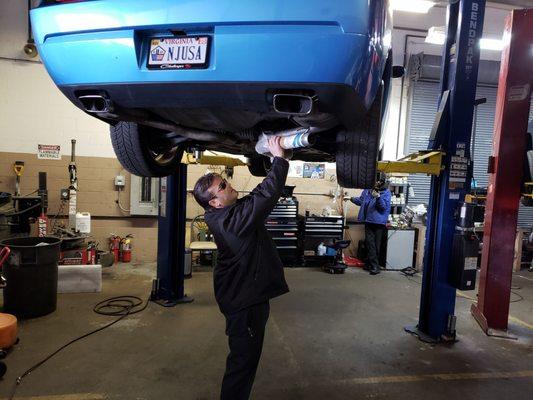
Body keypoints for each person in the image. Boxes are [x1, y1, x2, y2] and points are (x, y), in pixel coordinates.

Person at [192, 137, 291, 400]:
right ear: (214, 202)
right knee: (242, 366)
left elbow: (257, 196)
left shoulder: (227, 213)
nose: (229, 184)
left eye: (224, 180)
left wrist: (275, 161)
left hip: (246, 296)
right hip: (244, 305)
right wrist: (280, 160)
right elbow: (266, 197)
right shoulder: (231, 223)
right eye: (223, 186)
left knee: (244, 361)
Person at [346, 174, 391, 275]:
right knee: (370, 243)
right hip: (368, 220)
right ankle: (370, 264)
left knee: (374, 244)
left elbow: (383, 207)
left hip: (378, 222)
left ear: (381, 182)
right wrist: (350, 198)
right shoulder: (368, 190)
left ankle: (375, 266)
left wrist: (378, 197)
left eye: (377, 181)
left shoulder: (386, 192)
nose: (375, 183)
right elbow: (361, 201)